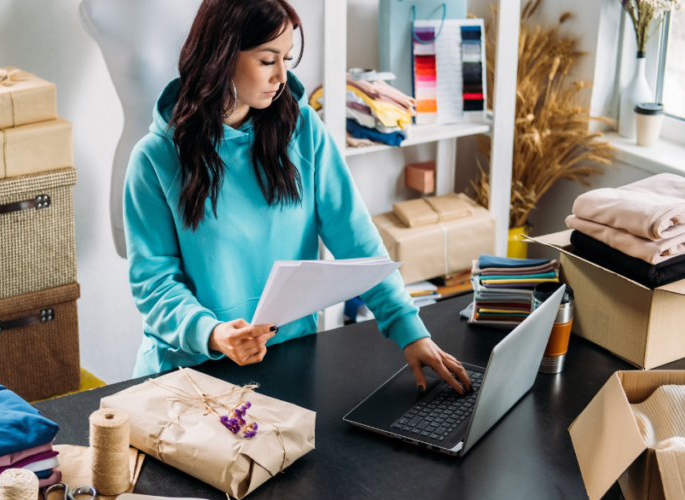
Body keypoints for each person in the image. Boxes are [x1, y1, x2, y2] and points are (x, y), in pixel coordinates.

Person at [122, 0, 472, 394]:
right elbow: (155, 285)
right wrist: (214, 333)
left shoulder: (304, 130)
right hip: (189, 373)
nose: (282, 76)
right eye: (267, 60)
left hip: (288, 360)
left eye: (287, 58)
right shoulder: (154, 159)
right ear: (220, 55)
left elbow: (356, 240)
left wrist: (411, 330)